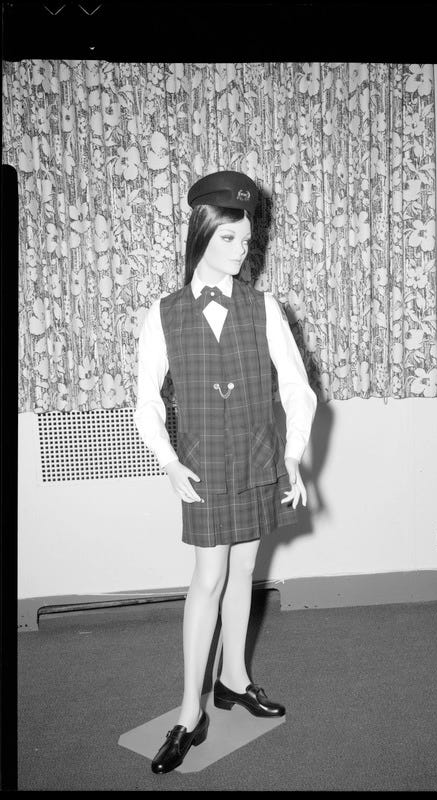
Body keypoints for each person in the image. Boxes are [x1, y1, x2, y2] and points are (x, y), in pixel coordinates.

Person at [134, 170, 317, 774]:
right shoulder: (163, 314)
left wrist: (292, 455)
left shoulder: (264, 307)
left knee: (244, 570)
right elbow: (146, 401)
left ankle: (234, 678)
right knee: (208, 577)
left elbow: (298, 389)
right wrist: (166, 460)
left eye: (247, 240)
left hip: (260, 459)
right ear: (202, 237)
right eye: (230, 240)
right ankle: (191, 711)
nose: (243, 252)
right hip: (205, 465)